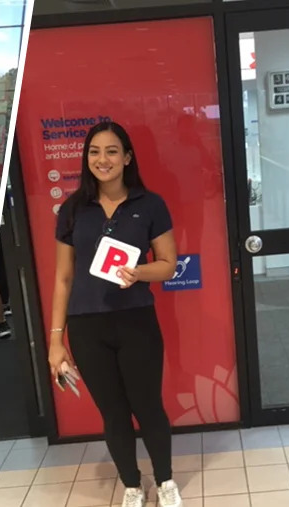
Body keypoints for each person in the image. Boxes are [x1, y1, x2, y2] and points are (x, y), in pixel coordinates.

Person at [46, 121, 180, 507]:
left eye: (111, 151)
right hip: (87, 327)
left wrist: (138, 272)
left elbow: (168, 264)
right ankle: (132, 485)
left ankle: (165, 481)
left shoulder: (150, 205)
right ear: (86, 158)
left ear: (127, 158)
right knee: (114, 413)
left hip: (136, 320)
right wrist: (56, 340)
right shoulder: (73, 209)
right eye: (94, 152)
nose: (102, 159)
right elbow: (63, 278)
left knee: (148, 407)